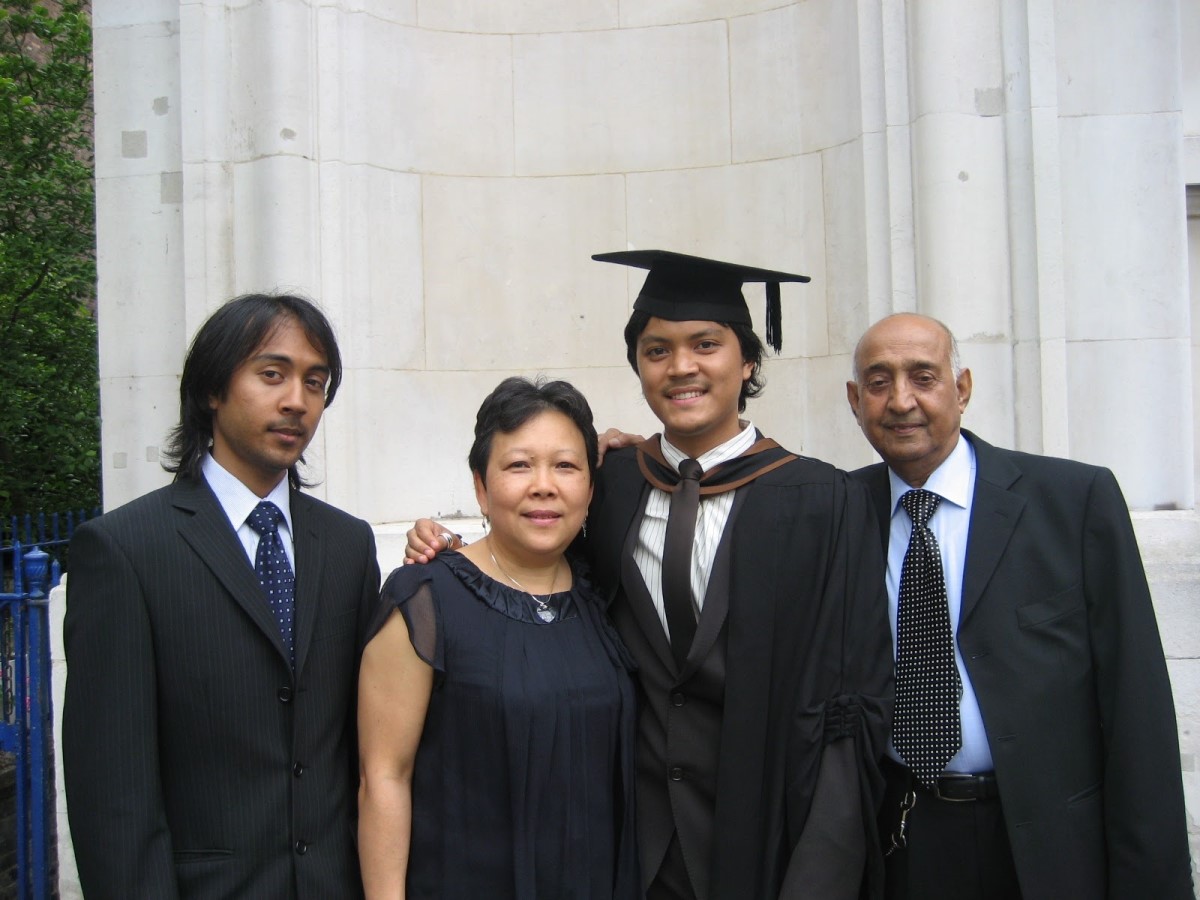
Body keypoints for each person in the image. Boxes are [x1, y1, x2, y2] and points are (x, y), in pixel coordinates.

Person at [408, 251, 894, 900]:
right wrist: (452, 551)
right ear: (638, 366)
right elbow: (538, 580)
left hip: (767, 840)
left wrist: (821, 878)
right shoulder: (610, 486)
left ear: (748, 362)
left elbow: (851, 709)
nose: (681, 366)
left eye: (706, 345)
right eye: (657, 350)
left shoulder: (824, 502)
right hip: (626, 849)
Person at [845, 312, 1193, 900]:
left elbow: (1136, 704)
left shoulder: (1072, 501)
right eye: (878, 383)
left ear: (962, 389)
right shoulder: (839, 511)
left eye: (924, 377)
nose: (901, 401)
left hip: (1049, 847)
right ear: (855, 401)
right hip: (901, 840)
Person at [62, 293, 381, 899]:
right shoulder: (125, 550)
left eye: (315, 383)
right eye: (272, 374)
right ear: (212, 388)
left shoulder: (348, 545)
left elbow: (367, 741)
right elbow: (112, 793)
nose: (297, 401)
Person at [358, 376, 639, 898]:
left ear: (590, 489)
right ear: (481, 487)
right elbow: (384, 778)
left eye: (565, 466)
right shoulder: (425, 599)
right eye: (519, 465)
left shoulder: (604, 592)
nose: (544, 485)